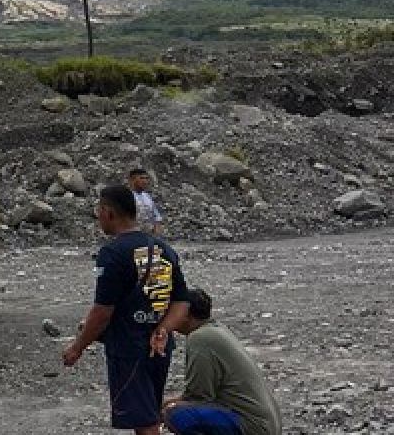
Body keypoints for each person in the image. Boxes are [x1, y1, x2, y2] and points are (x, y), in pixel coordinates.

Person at [63, 185, 190, 435]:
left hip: (129, 349)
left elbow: (103, 311)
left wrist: (77, 347)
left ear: (108, 213)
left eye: (99, 210)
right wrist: (163, 329)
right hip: (160, 347)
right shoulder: (163, 249)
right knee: (149, 411)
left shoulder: (113, 253)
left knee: (145, 422)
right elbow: (181, 302)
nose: (97, 216)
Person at [163, 289, 282, 435]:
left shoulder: (200, 338)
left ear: (186, 313)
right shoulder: (217, 329)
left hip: (251, 426)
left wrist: (164, 406)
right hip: (265, 423)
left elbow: (199, 396)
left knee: (176, 415)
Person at [129, 168, 164, 235]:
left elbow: (156, 215)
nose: (145, 181)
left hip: (147, 234)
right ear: (132, 179)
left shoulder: (147, 197)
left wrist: (157, 229)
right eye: (141, 178)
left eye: (146, 178)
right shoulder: (127, 196)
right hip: (132, 235)